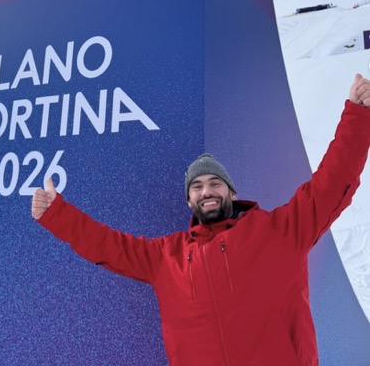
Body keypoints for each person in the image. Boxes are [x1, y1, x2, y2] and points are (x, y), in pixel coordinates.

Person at [32, 74, 370, 366]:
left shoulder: (280, 231)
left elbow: (331, 183)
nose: (206, 191)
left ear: (231, 192)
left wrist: (358, 114)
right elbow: (106, 245)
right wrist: (56, 213)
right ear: (189, 200)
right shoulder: (165, 257)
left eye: (214, 183)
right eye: (197, 186)